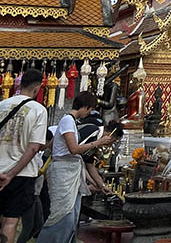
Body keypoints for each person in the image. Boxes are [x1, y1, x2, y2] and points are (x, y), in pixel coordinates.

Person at [0, 68, 49, 243]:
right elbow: (33, 148)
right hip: (21, 175)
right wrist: (10, 175)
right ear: (37, 87)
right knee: (10, 222)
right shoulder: (38, 110)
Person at [37, 91, 113, 243]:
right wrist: (98, 142)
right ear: (84, 107)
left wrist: (99, 184)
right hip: (63, 172)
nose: (90, 112)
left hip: (71, 170)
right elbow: (73, 149)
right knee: (62, 215)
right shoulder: (67, 121)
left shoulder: (71, 122)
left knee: (72, 215)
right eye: (90, 109)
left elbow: (58, 148)